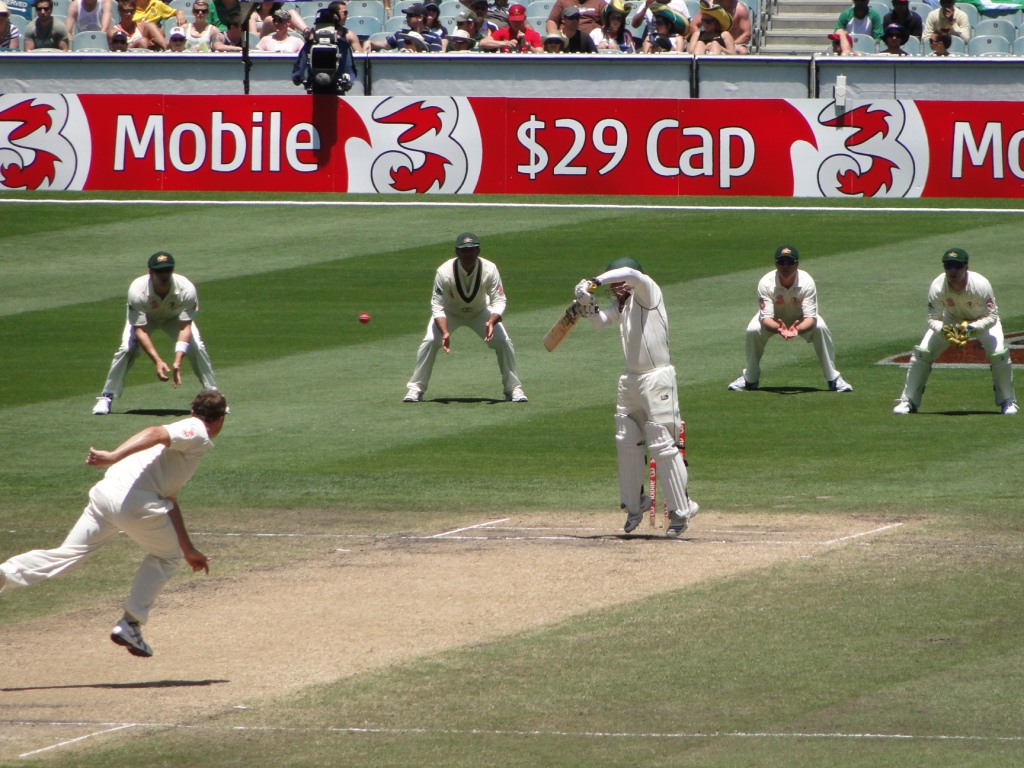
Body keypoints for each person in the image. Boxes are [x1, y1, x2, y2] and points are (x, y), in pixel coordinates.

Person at [0, 390, 228, 659]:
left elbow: (170, 500)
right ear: (220, 420)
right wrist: (113, 455)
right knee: (166, 557)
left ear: (193, 410)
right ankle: (130, 623)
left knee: (69, 555)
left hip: (106, 495)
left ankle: (5, 573)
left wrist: (188, 548)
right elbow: (155, 430)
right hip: (131, 502)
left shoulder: (179, 450)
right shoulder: (195, 429)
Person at [573, 258, 698, 537]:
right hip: (630, 379)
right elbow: (598, 323)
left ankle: (682, 509)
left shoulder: (647, 291)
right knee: (626, 440)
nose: (616, 287)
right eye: (614, 284)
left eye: (619, 283)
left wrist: (594, 282)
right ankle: (635, 504)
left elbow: (630, 273)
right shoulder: (623, 304)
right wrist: (587, 306)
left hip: (657, 378)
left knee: (663, 445)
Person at [404, 232, 527, 403]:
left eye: (471, 250)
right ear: (457, 252)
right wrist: (445, 332)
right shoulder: (444, 271)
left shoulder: (490, 269)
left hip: (480, 312)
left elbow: (499, 300)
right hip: (450, 312)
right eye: (464, 250)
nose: (468, 254)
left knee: (503, 341)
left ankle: (513, 389)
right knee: (431, 340)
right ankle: (415, 389)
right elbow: (437, 306)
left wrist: (492, 321)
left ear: (478, 250)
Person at [894, 248, 1017, 416]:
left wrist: (970, 329)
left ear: (966, 267)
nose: (952, 270)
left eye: (957, 266)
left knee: (999, 355)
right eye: (948, 265)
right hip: (951, 321)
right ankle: (908, 401)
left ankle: (1007, 400)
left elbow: (992, 317)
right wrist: (945, 331)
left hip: (982, 321)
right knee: (923, 353)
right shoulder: (938, 286)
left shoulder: (980, 285)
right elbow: (932, 318)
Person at [93, 252, 218, 416]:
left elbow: (185, 326)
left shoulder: (186, 288)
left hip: (175, 318)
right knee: (127, 349)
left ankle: (214, 398)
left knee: (197, 347)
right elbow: (140, 330)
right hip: (147, 319)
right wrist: (158, 361)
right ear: (150, 272)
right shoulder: (137, 290)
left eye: (168, 270)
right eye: (159, 271)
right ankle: (106, 397)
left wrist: (178, 360)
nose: (164, 274)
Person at [727, 245, 852, 393]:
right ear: (776, 264)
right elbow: (766, 319)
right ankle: (750, 379)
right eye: (781, 262)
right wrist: (780, 328)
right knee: (753, 330)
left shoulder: (806, 282)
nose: (785, 266)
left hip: (800, 317)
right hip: (774, 318)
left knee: (820, 328)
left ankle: (833, 379)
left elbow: (810, 319)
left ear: (797, 264)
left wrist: (796, 329)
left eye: (790, 262)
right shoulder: (766, 282)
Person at [369, 3, 442, 50]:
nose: (407, 17)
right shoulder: (400, 33)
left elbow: (434, 61)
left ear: (420, 18)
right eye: (407, 15)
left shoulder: (435, 38)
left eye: (410, 15)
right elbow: (385, 45)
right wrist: (370, 42)